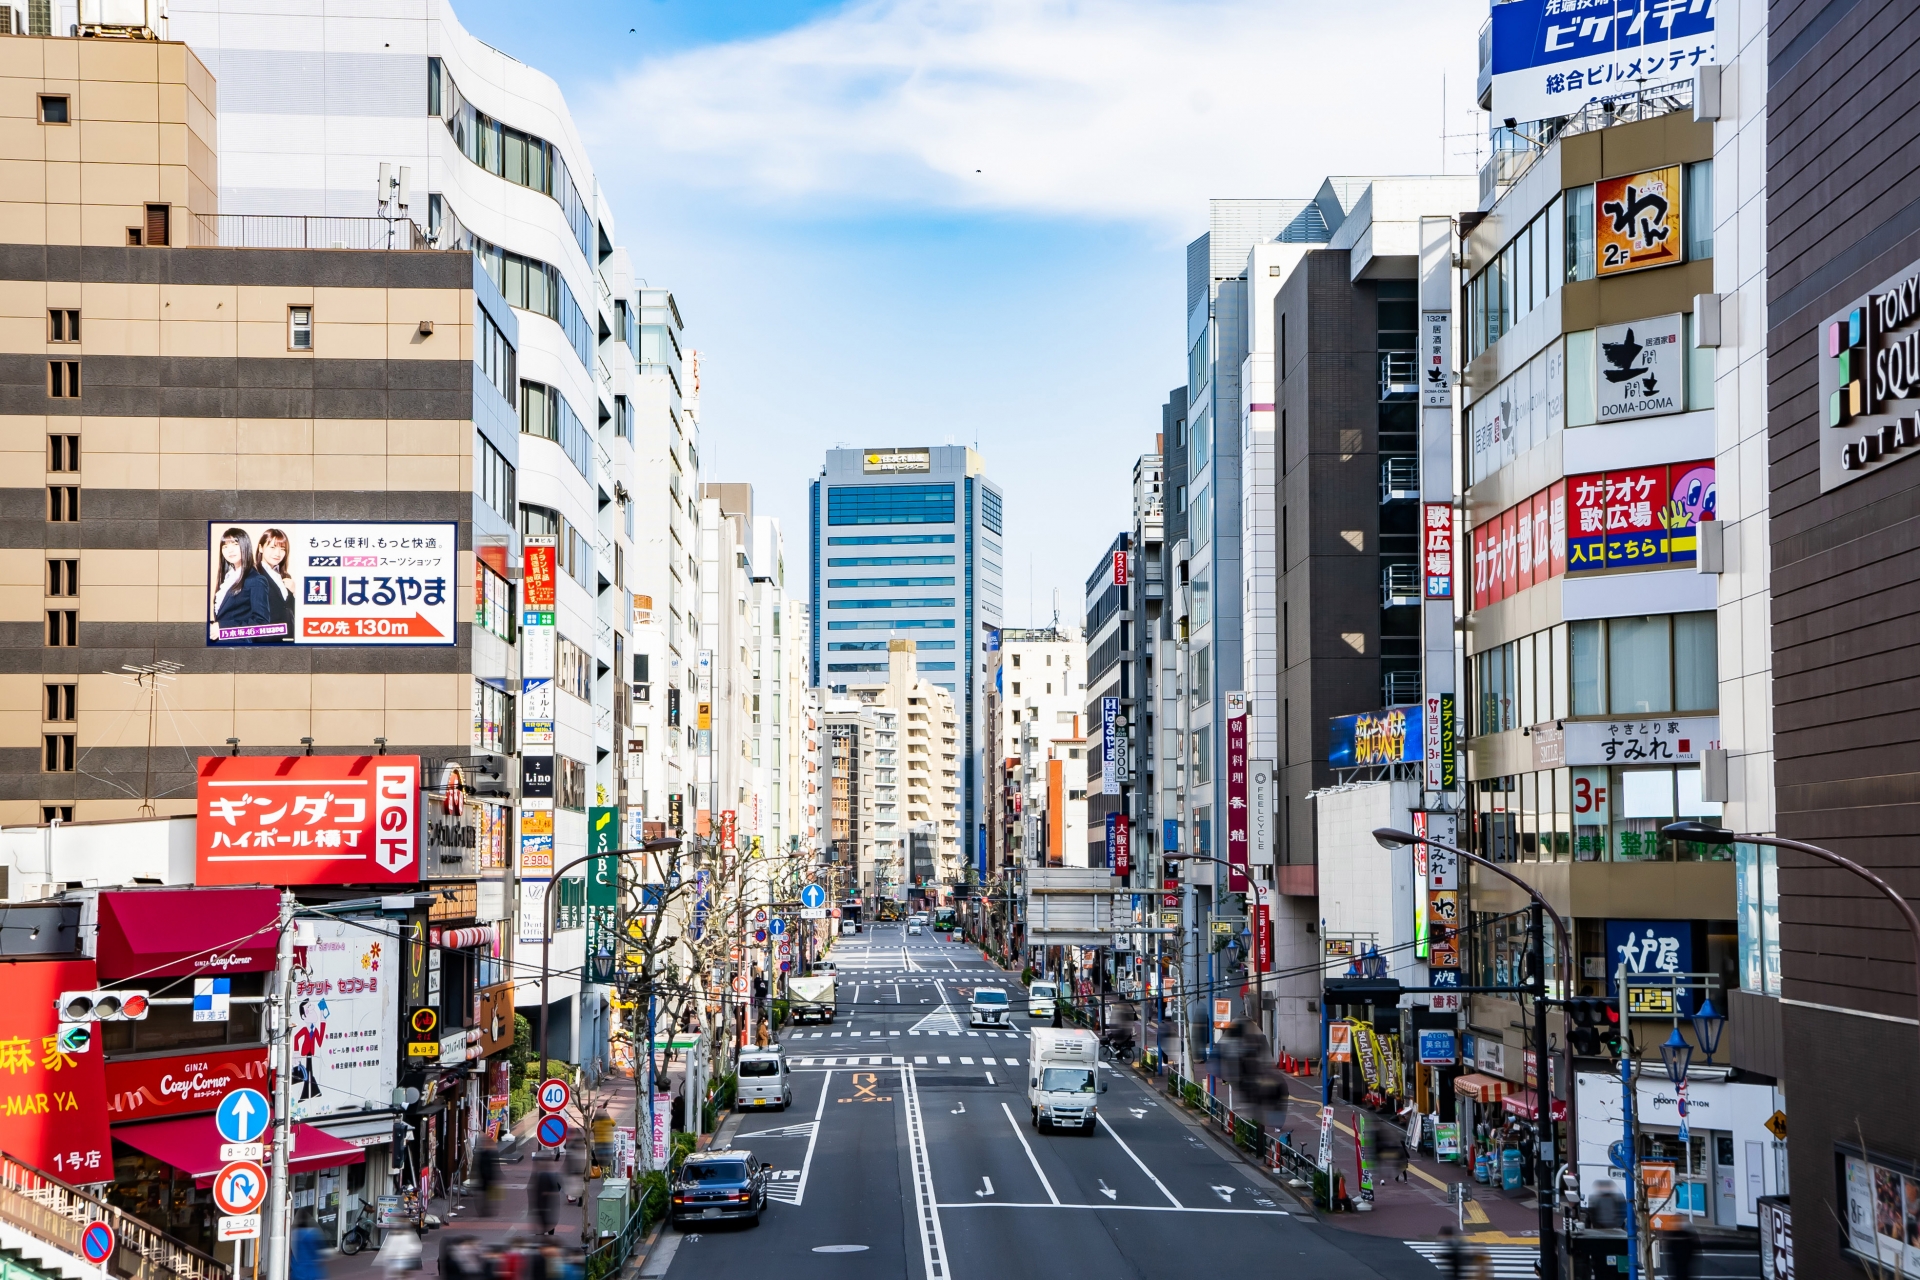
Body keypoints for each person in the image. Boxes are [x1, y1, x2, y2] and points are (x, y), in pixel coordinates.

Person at [210, 527, 269, 642]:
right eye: (225, 546)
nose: (229, 550)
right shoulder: (228, 578)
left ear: (245, 546)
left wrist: (223, 628)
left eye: (235, 544)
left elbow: (261, 623)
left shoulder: (256, 580)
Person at [254, 526, 296, 643]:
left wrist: (295, 592)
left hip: (288, 639)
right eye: (272, 547)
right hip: (264, 641)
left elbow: (288, 609)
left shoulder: (285, 576)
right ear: (261, 548)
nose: (278, 553)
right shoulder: (254, 575)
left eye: (282, 549)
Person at [290, 1211, 325, 1280]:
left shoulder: (294, 1233)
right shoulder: (312, 1234)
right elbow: (317, 1253)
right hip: (310, 1271)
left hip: (297, 1271)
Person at [530, 1164, 560, 1236]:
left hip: (546, 1203)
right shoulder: (538, 1175)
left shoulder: (548, 1175)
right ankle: (543, 1233)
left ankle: (544, 1233)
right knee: (543, 1219)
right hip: (542, 1202)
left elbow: (555, 1188)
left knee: (545, 1219)